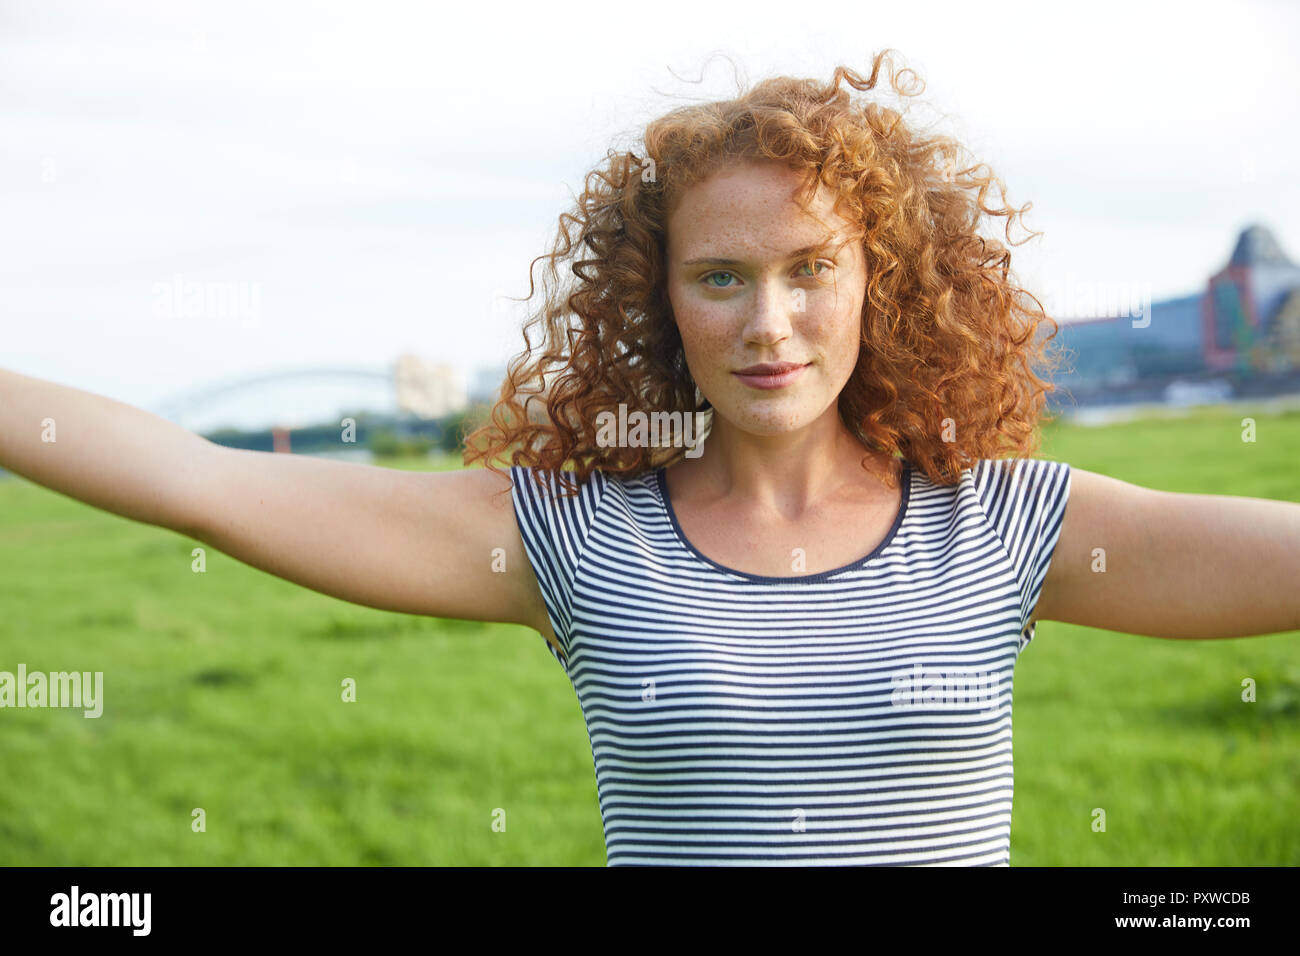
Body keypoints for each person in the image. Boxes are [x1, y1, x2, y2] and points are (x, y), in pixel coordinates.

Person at [2, 50, 1297, 866]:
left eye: (811, 271)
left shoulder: (1012, 527)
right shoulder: (572, 535)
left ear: (881, 283)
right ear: (661, 299)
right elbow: (202, 479)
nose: (769, 322)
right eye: (720, 276)